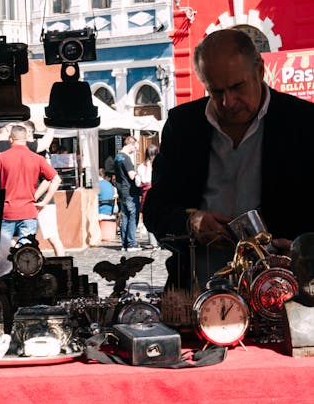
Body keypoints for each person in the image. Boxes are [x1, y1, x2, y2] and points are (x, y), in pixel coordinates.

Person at [145, 28, 314, 289]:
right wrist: (192, 221)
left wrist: (302, 251)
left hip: (283, 294)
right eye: (216, 91)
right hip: (197, 294)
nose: (228, 102)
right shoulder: (183, 126)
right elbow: (155, 210)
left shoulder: (303, 123)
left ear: (259, 71)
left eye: (237, 87)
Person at [0, 125, 61, 273]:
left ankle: (4, 281)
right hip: (29, 211)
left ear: (11, 139)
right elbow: (56, 179)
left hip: (6, 211)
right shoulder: (37, 158)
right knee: (27, 255)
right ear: (26, 140)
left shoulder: (2, 157)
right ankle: (26, 283)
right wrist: (44, 201)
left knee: (3, 254)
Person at [24, 121, 65, 257]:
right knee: (25, 239)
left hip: (41, 200)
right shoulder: (33, 149)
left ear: (29, 132)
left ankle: (63, 267)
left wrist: (35, 197)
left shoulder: (37, 149)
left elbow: (49, 180)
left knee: (53, 237)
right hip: (35, 200)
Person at [114, 135, 144, 252]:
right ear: (130, 144)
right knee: (133, 216)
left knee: (125, 216)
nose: (135, 150)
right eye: (135, 147)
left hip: (122, 191)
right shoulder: (126, 158)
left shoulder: (117, 157)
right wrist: (139, 175)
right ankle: (131, 243)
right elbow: (131, 175)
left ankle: (124, 243)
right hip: (130, 191)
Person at [136, 145, 159, 247]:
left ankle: (153, 241)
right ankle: (160, 239)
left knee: (149, 214)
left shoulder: (141, 167)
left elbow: (137, 182)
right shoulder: (159, 165)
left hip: (146, 193)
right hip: (157, 192)